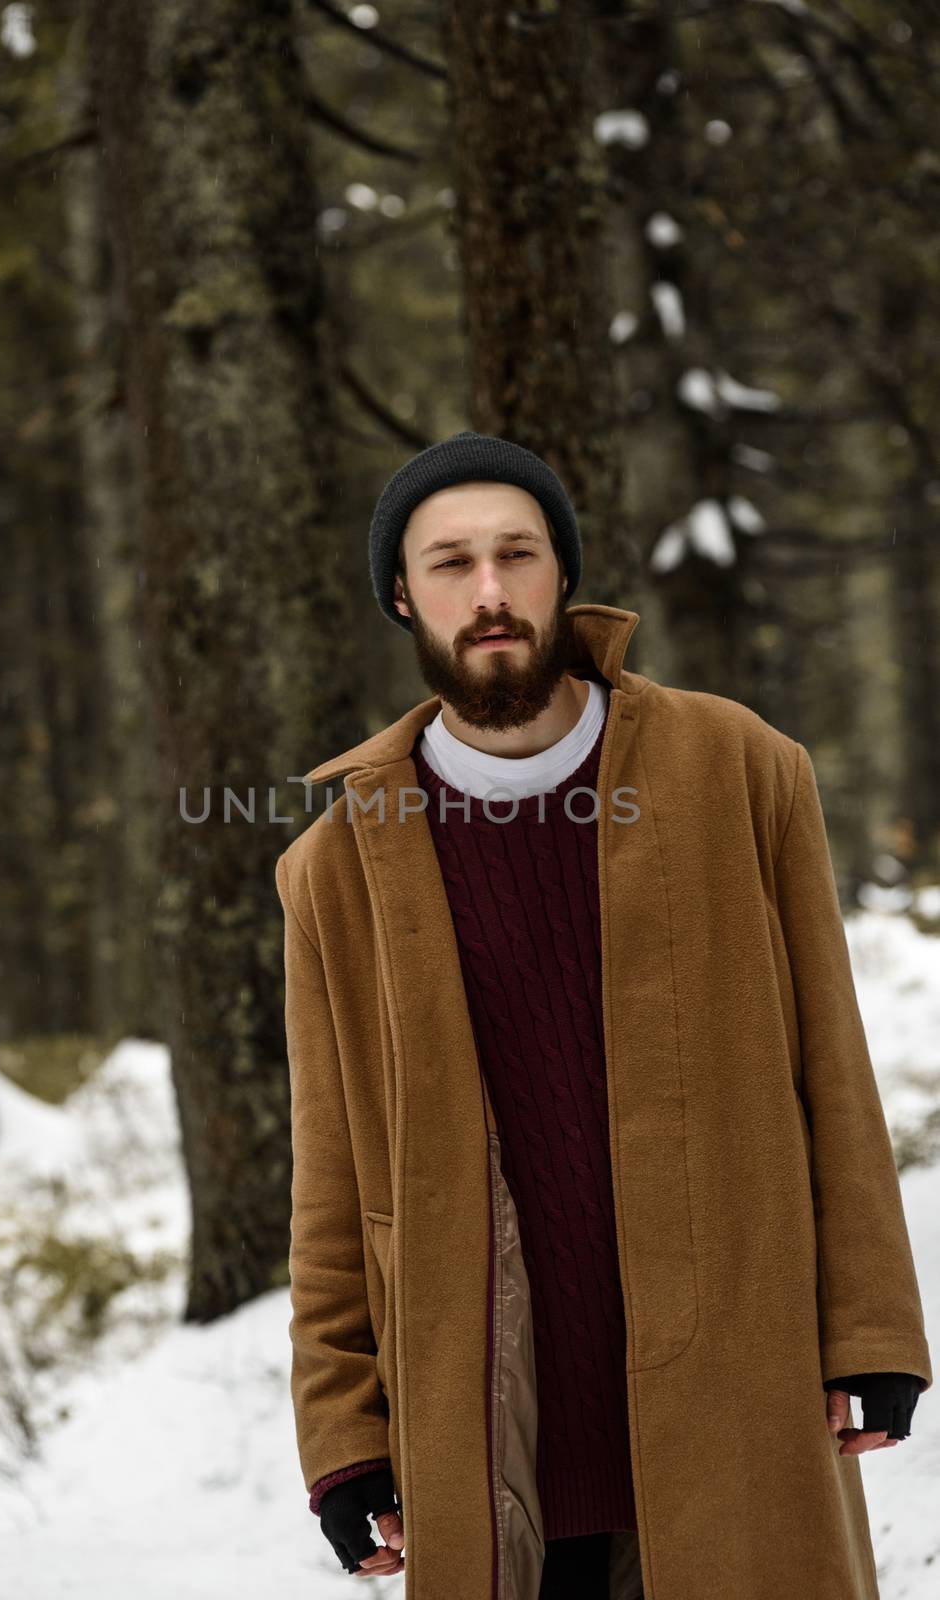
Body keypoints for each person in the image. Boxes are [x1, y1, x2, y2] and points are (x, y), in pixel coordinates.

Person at [275, 432, 931, 1600]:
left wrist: (871, 1329)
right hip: (496, 1439)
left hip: (733, 1395)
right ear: (399, 594)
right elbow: (334, 1181)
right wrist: (343, 1433)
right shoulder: (337, 868)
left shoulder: (737, 767)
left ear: (562, 575)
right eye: (450, 564)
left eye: (516, 555)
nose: (488, 593)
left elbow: (832, 1068)